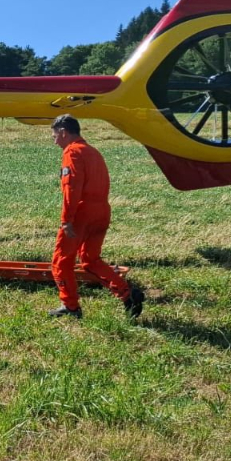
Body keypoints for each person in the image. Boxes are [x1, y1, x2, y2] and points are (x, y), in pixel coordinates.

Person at [48, 114, 144, 319]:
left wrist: (66, 220)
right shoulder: (93, 151)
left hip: (82, 214)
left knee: (61, 261)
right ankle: (126, 293)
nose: (54, 141)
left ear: (63, 132)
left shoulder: (72, 152)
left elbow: (71, 189)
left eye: (54, 136)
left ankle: (70, 306)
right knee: (90, 260)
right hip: (102, 211)